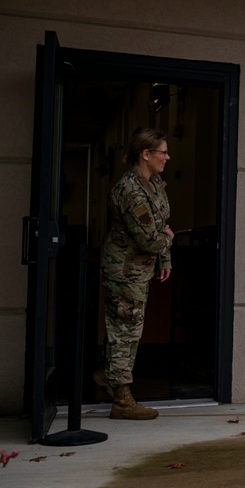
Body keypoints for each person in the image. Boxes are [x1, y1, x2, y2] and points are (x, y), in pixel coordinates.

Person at [95, 127, 175, 420]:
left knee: (127, 328)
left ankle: (108, 376)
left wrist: (164, 259)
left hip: (138, 271)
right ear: (146, 154)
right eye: (162, 152)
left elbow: (162, 225)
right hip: (125, 272)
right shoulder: (130, 190)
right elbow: (149, 238)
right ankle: (122, 400)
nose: (167, 157)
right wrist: (167, 241)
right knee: (125, 332)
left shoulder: (154, 185)